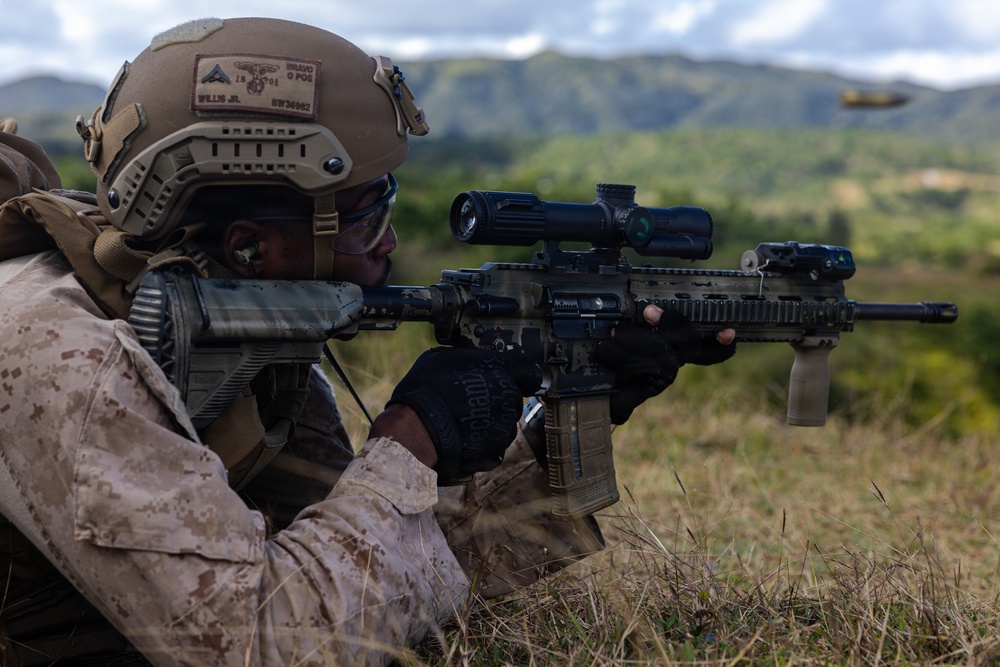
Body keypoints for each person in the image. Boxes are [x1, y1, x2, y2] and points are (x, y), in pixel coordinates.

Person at [0, 17, 735, 666]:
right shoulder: (67, 359)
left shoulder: (242, 342)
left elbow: (361, 586)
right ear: (251, 248)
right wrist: (410, 440)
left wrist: (562, 426)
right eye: (364, 214)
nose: (386, 241)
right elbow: (270, 643)